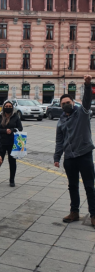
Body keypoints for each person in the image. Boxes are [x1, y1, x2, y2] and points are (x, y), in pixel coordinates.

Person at [54, 75, 95, 227]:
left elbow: (86, 101)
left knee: (89, 186)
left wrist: (88, 84)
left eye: (68, 102)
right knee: (72, 186)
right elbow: (59, 141)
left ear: (73, 102)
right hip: (69, 158)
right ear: (61, 106)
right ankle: (74, 212)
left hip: (84, 155)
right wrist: (57, 157)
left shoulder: (82, 113)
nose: (66, 105)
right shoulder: (60, 121)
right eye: (63, 104)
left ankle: (94, 214)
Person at [0, 100, 23, 187]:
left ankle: (12, 180)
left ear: (12, 107)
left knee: (12, 162)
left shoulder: (15, 116)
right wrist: (5, 131)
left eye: (10, 106)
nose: (8, 108)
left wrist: (12, 130)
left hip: (13, 143)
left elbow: (20, 128)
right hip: (1, 142)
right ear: (3, 107)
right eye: (6, 106)